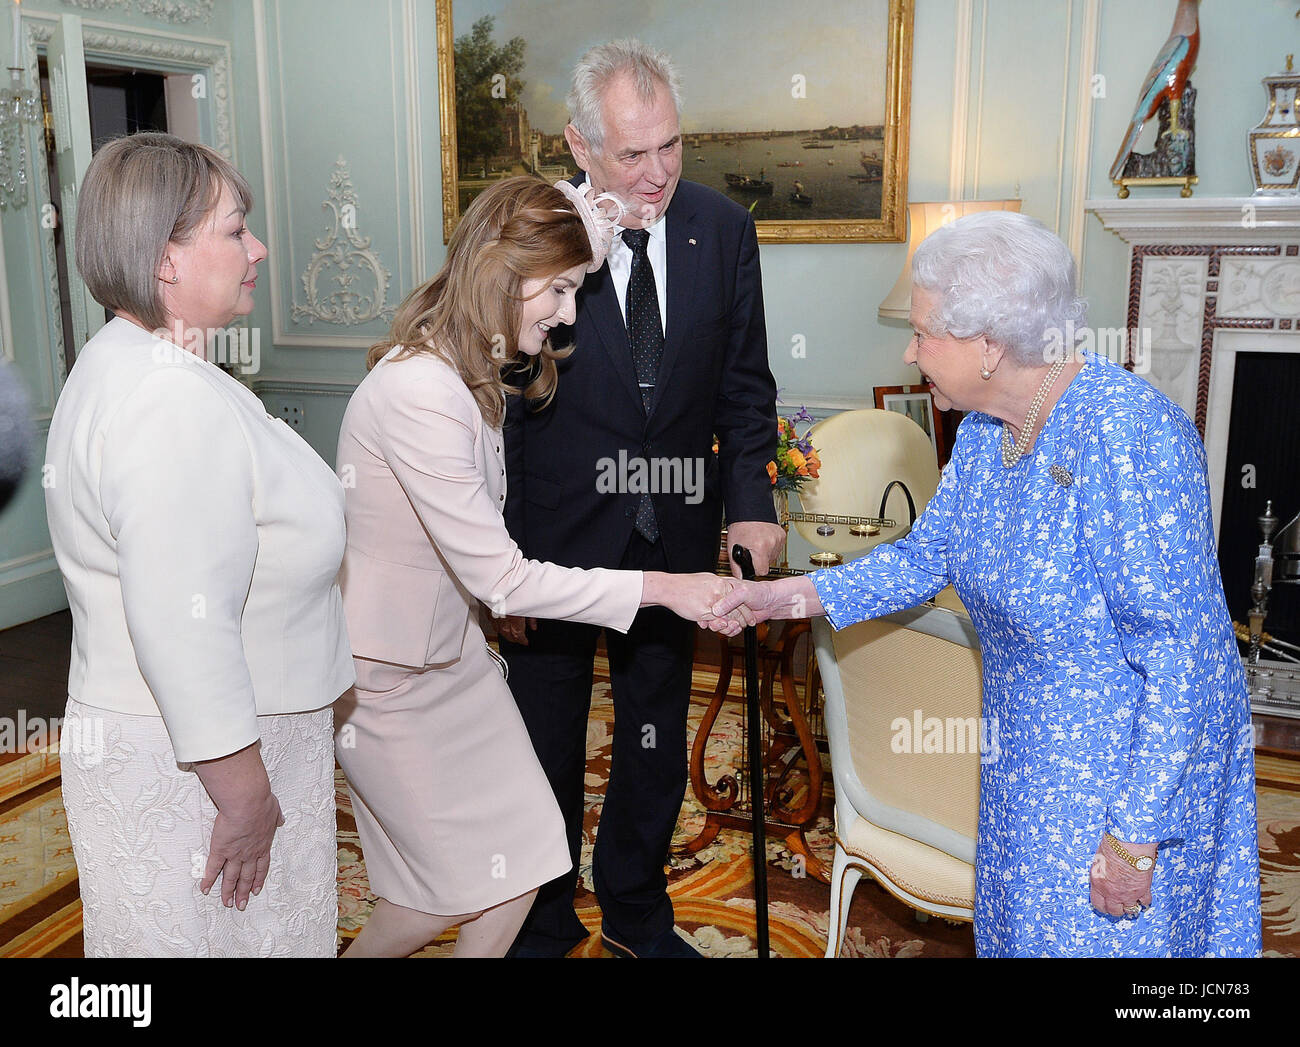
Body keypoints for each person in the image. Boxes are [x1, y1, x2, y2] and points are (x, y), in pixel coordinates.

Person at [713, 210, 1263, 958]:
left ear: (991, 343)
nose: (910, 351)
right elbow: (926, 556)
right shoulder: (982, 430)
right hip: (1024, 774)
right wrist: (785, 595)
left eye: (923, 333)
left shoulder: (1127, 433)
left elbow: (1184, 654)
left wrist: (1135, 836)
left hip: (1124, 788)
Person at [333, 175, 735, 959]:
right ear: (498, 270)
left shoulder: (472, 375)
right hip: (390, 678)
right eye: (557, 288)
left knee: (520, 864)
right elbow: (504, 577)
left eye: (576, 289)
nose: (568, 312)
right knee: (435, 900)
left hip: (453, 663)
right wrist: (665, 588)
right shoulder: (420, 390)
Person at [499, 40, 786, 959]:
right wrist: (497, 565)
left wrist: (753, 506)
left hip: (675, 534)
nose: (658, 173)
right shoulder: (530, 236)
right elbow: (495, 400)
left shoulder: (722, 227)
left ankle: (634, 905)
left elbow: (746, 387)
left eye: (671, 145)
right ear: (579, 144)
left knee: (655, 737)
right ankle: (542, 921)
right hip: (553, 538)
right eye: (633, 153)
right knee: (545, 743)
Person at [45, 132, 354, 957]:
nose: (257, 248)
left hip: (197, 749)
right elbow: (183, 623)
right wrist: (244, 796)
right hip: (206, 769)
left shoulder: (133, 363)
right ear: (165, 259)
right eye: (233, 228)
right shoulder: (166, 399)